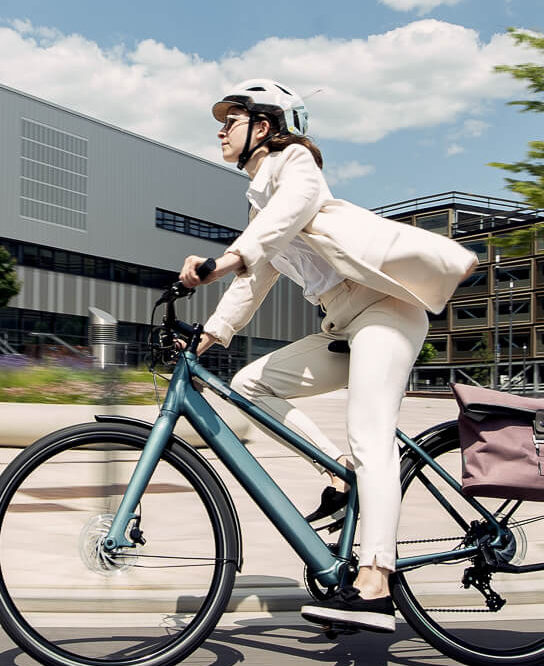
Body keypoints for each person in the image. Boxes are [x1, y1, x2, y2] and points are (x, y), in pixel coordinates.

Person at [179, 79, 475, 634]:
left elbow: (271, 232)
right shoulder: (259, 200)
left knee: (371, 435)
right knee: (249, 384)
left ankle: (377, 579)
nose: (221, 130)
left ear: (263, 127)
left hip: (385, 309)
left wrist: (220, 261)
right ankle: (339, 473)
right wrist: (211, 334)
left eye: (232, 119)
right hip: (342, 321)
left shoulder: (297, 169)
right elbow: (258, 274)